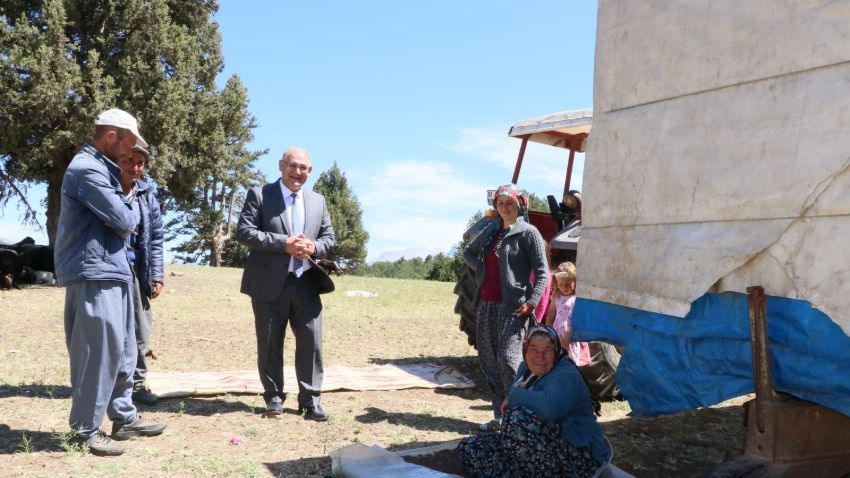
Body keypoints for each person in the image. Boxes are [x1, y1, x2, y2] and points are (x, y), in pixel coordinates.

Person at [54, 108, 166, 456]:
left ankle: (124, 417)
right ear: (112, 136)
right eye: (129, 143)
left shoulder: (103, 170)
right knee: (97, 353)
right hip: (94, 272)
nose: (130, 153)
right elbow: (125, 219)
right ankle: (84, 430)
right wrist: (127, 206)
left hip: (113, 270)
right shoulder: (87, 169)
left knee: (125, 351)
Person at [237, 147, 336, 421]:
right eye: (293, 166)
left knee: (311, 343)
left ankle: (311, 401)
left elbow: (329, 237)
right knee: (270, 343)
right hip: (268, 283)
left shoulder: (318, 201)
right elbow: (244, 232)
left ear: (310, 171)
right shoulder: (259, 194)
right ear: (281, 165)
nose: (298, 172)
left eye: (303, 168)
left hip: (307, 282)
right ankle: (274, 398)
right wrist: (285, 244)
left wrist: (313, 246)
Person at [458, 325, 611, 478]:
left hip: (577, 452)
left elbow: (550, 408)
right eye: (534, 349)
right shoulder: (525, 369)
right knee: (472, 447)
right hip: (540, 447)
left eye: (547, 350)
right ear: (525, 350)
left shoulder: (566, 374)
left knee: (517, 419)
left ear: (556, 351)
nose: (540, 356)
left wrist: (514, 395)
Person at [462, 184, 549, 431]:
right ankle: (500, 417)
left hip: (514, 307)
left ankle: (519, 416)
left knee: (509, 360)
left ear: (519, 205)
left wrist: (532, 303)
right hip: (486, 305)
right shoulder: (491, 230)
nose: (504, 207)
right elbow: (468, 253)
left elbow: (542, 272)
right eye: (500, 203)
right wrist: (481, 270)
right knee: (489, 362)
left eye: (509, 202)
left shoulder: (528, 232)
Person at [117, 145, 165, 406]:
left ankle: (137, 384)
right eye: (128, 160)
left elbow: (155, 238)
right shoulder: (105, 189)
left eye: (140, 163)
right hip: (109, 268)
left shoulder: (147, 196)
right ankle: (109, 383)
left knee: (140, 329)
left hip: (138, 269)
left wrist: (157, 275)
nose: (134, 167)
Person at [546, 262, 590, 366]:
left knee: (570, 363)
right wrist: (548, 333)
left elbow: (578, 320)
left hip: (571, 337)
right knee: (555, 361)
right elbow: (550, 317)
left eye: (568, 284)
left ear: (575, 282)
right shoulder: (556, 298)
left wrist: (568, 336)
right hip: (556, 335)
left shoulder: (577, 299)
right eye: (561, 285)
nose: (564, 287)